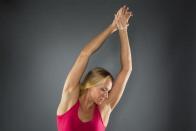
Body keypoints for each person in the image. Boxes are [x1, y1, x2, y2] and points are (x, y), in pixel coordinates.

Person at [56, 5, 133, 131]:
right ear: (90, 84)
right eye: (103, 89)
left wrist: (123, 29)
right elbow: (85, 54)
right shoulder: (70, 96)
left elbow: (127, 69)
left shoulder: (104, 108)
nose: (106, 95)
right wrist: (112, 27)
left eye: (108, 91)